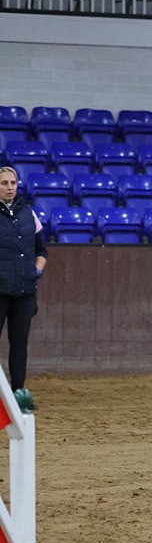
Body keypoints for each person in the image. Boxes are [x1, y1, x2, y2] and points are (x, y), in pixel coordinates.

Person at [0, 167, 46, 413]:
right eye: (4, 183)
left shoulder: (29, 213)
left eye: (13, 182)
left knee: (20, 343)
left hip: (24, 290)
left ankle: (19, 394)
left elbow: (42, 250)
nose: (10, 187)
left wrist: (37, 269)